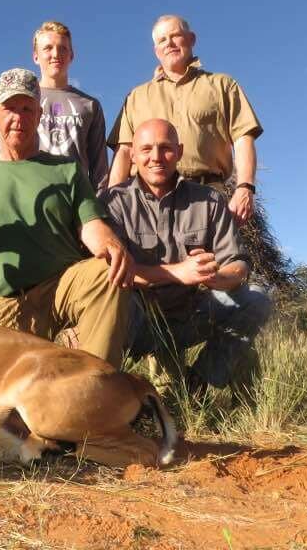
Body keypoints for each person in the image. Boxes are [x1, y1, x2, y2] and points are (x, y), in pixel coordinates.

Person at [0, 68, 133, 366]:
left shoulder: (66, 169)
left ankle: (96, 389)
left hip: (62, 289)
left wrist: (111, 246)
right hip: (9, 305)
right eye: (9, 108)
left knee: (104, 273)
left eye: (27, 108)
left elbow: (92, 227)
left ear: (39, 113)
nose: (18, 117)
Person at [102, 118, 271, 398]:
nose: (156, 157)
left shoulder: (208, 200)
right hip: (137, 320)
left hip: (190, 314)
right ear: (132, 154)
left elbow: (239, 264)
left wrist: (218, 278)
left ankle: (199, 383)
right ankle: (112, 397)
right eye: (146, 149)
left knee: (256, 299)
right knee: (110, 307)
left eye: (165, 148)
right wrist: (179, 272)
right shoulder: (112, 202)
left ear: (179, 152)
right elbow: (113, 271)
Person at [107, 14, 262, 226]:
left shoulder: (223, 85)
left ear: (191, 39)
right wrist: (111, 201)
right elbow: (124, 152)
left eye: (176, 36)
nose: (169, 43)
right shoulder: (136, 96)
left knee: (209, 260)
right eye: (162, 40)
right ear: (155, 50)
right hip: (147, 202)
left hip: (207, 199)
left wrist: (245, 187)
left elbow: (243, 138)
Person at [0, 21, 110, 191]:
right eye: (48, 48)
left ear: (71, 55)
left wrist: (98, 205)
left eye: (62, 48)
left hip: (76, 201)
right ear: (36, 56)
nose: (56, 54)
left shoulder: (90, 105)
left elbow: (100, 170)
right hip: (29, 196)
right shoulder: (17, 100)